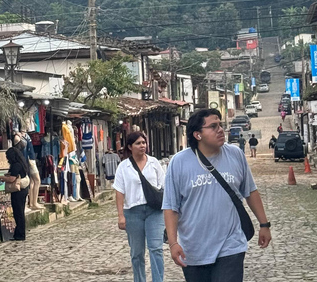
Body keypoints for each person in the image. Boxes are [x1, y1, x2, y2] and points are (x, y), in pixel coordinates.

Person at [163, 109, 272, 282]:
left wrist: (264, 224)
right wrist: (173, 243)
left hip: (231, 245)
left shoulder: (235, 155)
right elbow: (170, 206)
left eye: (220, 125)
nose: (220, 130)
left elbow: (250, 191)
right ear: (198, 135)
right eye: (213, 126)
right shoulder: (179, 163)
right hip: (193, 248)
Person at [113, 132, 166, 282]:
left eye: (144, 142)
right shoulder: (124, 167)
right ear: (130, 147)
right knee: (137, 252)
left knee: (156, 248)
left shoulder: (154, 163)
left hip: (154, 212)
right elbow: (119, 191)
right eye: (138, 143)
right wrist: (120, 215)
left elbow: (164, 186)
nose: (142, 145)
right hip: (133, 212)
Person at [4, 147, 29, 241]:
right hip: (23, 190)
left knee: (18, 213)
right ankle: (18, 233)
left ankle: (20, 234)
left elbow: (11, 179)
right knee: (20, 212)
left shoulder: (16, 165)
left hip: (18, 192)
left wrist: (1, 177)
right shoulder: (21, 164)